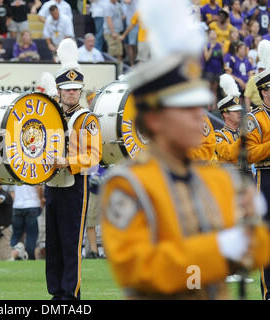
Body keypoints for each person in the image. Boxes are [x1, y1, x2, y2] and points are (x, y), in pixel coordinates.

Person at [101, 0, 270, 300]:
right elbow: (139, 268)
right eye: (186, 108)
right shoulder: (128, 185)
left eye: (198, 106)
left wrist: (253, 226)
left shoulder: (219, 180)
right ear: (154, 118)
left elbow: (256, 251)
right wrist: (218, 248)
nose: (199, 116)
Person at [44, 39, 102, 300]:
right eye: (67, 89)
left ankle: (70, 293)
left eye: (75, 89)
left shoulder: (86, 119)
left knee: (70, 242)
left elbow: (94, 157)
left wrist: (67, 162)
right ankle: (56, 292)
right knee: (53, 242)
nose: (71, 93)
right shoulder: (51, 115)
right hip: (52, 184)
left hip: (75, 184)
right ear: (58, 90)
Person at [245, 39, 270, 300]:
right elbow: (250, 153)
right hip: (266, 177)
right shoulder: (255, 119)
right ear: (264, 92)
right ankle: (268, 291)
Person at [215, 73, 243, 163]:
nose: (238, 113)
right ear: (225, 114)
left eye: (239, 110)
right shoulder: (219, 136)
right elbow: (229, 153)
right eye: (235, 111)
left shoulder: (241, 132)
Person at [11, 185, 44, 260]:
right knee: (31, 235)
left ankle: (13, 256)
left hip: (17, 206)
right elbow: (39, 187)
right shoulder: (35, 173)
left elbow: (12, 192)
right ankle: (30, 257)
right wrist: (41, 200)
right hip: (33, 205)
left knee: (16, 235)